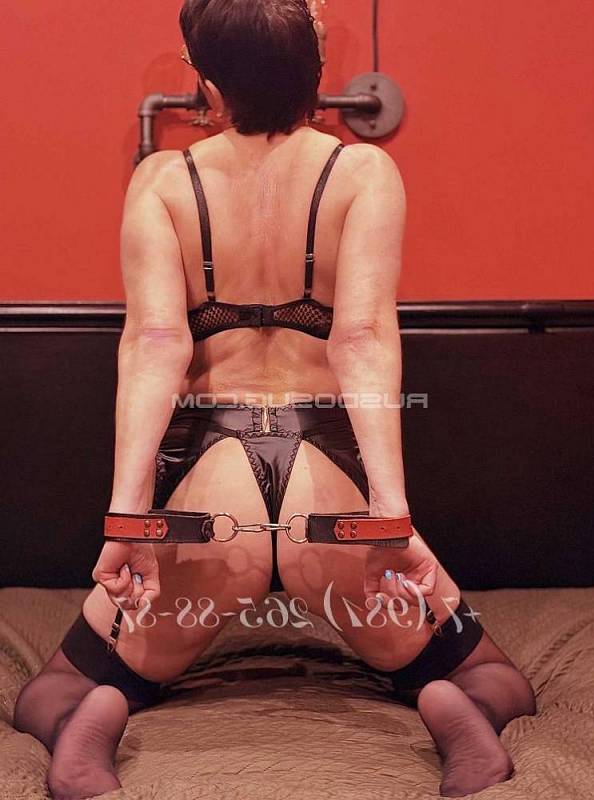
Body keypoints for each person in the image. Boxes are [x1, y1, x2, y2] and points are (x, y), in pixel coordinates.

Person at [13, 1, 535, 798]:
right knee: (495, 680)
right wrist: (388, 523)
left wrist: (128, 523)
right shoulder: (361, 173)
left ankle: (99, 717)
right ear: (314, 71)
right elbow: (362, 338)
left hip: (212, 499)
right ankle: (447, 707)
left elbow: (154, 344)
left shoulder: (164, 180)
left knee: (51, 692)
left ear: (204, 80)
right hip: (328, 501)